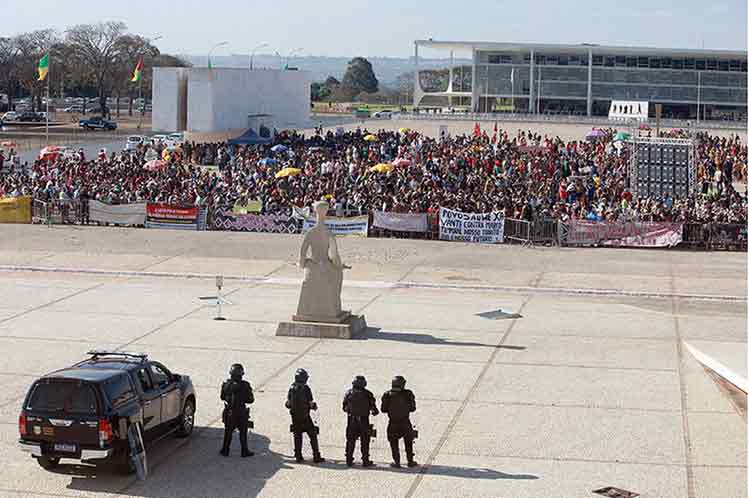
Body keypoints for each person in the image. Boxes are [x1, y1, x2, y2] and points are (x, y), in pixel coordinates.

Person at [286, 368, 325, 463]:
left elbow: (288, 403)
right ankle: (316, 455)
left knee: (297, 436)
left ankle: (298, 456)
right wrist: (314, 407)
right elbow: (310, 403)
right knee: (312, 435)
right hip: (305, 416)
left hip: (295, 417)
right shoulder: (306, 389)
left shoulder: (292, 388)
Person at [381, 376, 418, 468]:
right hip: (405, 421)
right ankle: (410, 461)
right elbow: (413, 408)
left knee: (393, 443)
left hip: (393, 422)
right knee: (408, 442)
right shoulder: (408, 394)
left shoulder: (387, 394)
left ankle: (397, 462)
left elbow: (383, 409)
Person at [342, 375, 378, 467]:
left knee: (350, 441)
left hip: (351, 421)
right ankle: (365, 460)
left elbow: (344, 408)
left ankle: (349, 460)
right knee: (365, 441)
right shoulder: (368, 394)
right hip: (364, 421)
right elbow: (374, 410)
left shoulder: (348, 393)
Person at [220, 363, 254, 457]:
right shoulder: (245, 385)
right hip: (241, 412)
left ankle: (225, 450)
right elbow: (250, 400)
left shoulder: (226, 384)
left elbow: (222, 397)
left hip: (230, 412)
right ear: (241, 374)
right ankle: (244, 451)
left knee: (228, 432)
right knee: (243, 433)